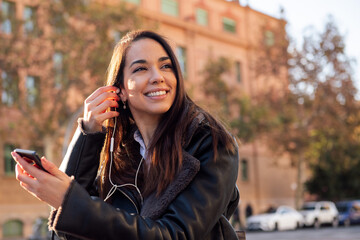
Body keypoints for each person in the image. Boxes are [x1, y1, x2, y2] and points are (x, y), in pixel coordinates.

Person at [11, 30, 240, 240]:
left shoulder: (212, 142)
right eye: (141, 69)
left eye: (166, 66)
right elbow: (72, 233)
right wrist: (88, 132)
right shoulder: (119, 155)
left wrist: (69, 202)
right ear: (118, 90)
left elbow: (175, 234)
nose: (158, 77)